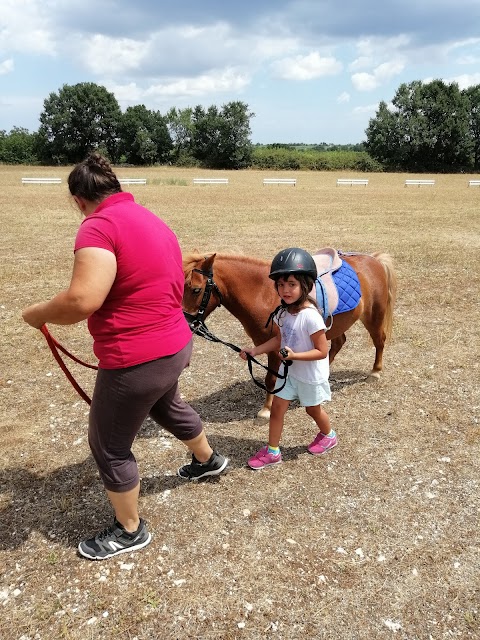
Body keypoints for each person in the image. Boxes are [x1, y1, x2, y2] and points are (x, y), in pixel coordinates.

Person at [22, 152, 228, 560]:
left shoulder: (97, 227)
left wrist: (39, 313)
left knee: (109, 446)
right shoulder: (152, 220)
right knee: (167, 405)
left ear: (78, 200)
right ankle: (208, 460)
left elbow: (82, 299)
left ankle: (130, 529)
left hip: (136, 358)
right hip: (174, 345)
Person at [239, 247, 336, 470]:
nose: (285, 290)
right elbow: (279, 340)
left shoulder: (310, 317)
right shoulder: (283, 313)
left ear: (305, 285)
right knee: (277, 409)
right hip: (290, 374)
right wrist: (255, 350)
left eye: (291, 284)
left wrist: (295, 355)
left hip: (310, 376)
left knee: (313, 410)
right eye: (281, 285)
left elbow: (322, 351)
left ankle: (328, 435)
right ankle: (273, 451)